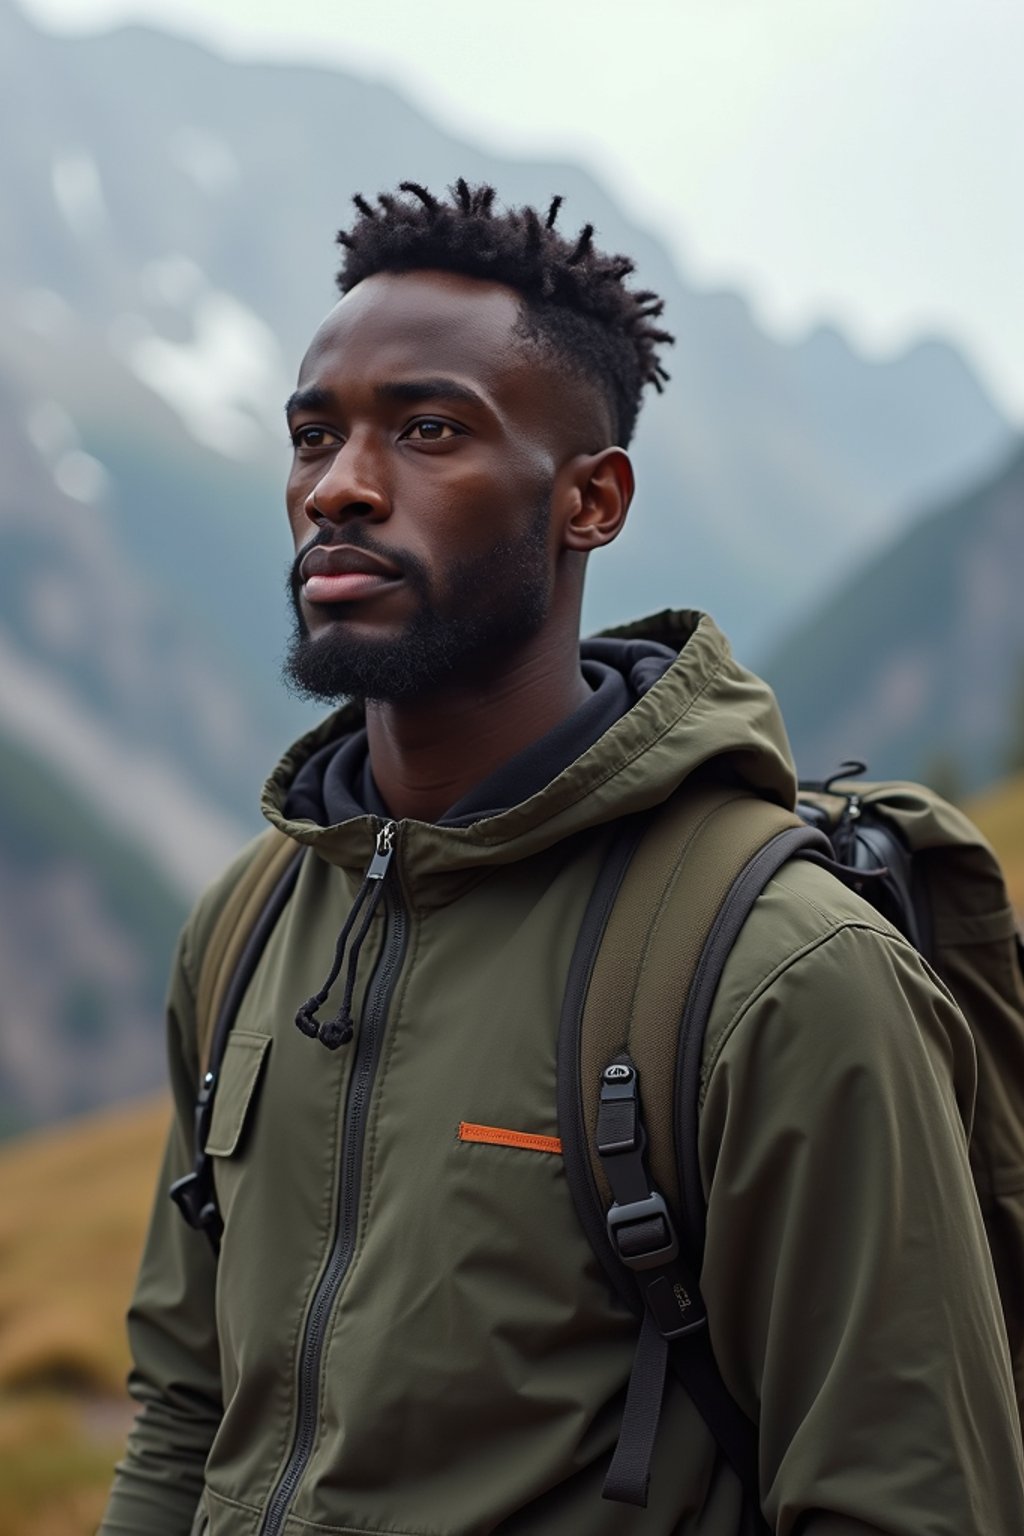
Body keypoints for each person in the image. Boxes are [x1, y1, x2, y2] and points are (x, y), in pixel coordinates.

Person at [99, 180, 1024, 1536]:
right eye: (314, 434)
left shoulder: (780, 973)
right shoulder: (247, 925)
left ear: (591, 500)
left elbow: (908, 1499)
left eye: (428, 430)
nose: (340, 487)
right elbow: (186, 1407)